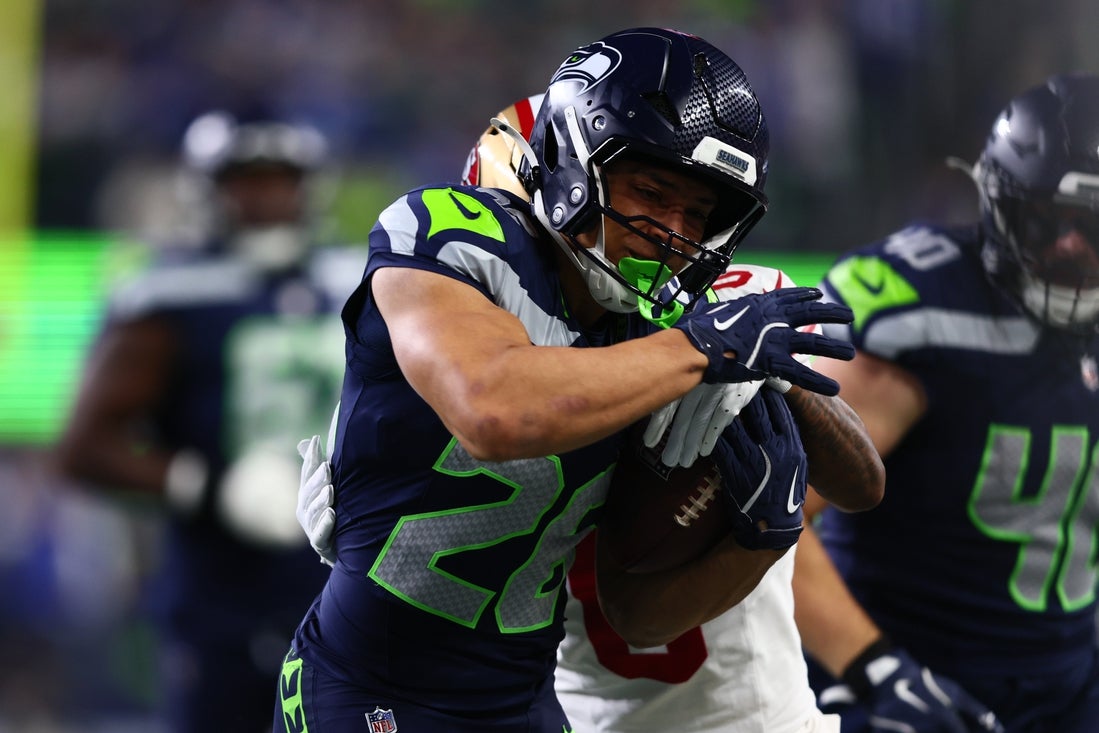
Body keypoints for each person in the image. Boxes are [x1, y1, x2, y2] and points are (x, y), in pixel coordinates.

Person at [274, 27, 872, 733]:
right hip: (370, 682)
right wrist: (701, 346)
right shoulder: (448, 233)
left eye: (697, 215)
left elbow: (859, 484)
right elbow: (492, 409)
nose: (672, 233)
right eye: (649, 192)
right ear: (562, 167)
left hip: (526, 700)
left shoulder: (663, 322)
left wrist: (766, 499)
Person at [793, 73, 1099, 732]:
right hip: (914, 682)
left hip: (1069, 684)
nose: (1070, 245)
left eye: (1094, 225)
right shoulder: (921, 313)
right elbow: (767, 517)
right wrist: (873, 668)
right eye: (1047, 218)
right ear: (999, 202)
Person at [54, 110, 362, 732]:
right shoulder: (168, 293)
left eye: (280, 180)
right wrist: (205, 486)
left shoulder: (360, 277)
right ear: (207, 189)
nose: (266, 198)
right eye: (247, 181)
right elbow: (85, 445)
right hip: (223, 595)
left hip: (351, 586)